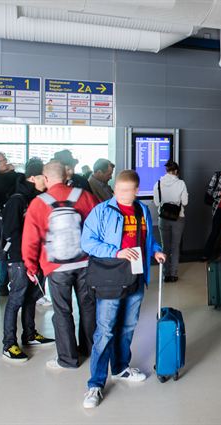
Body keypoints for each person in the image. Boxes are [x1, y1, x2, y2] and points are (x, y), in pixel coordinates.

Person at [81, 170, 165, 409]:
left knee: (128, 326)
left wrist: (155, 251)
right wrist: (116, 252)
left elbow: (147, 239)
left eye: (127, 190)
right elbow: (87, 242)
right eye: (119, 190)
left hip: (136, 277)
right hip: (111, 278)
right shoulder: (102, 211)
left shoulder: (142, 210)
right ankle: (95, 384)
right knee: (105, 331)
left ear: (136, 190)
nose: (122, 194)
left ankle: (120, 368)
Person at [22, 161, 98, 369]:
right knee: (88, 307)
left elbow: (30, 239)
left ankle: (68, 358)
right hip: (85, 262)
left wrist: (31, 266)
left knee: (62, 311)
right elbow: (100, 225)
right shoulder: (85, 196)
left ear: (46, 178)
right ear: (66, 176)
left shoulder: (38, 203)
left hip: (55, 267)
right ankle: (91, 350)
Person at [0, 158, 55, 361]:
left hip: (36, 256)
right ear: (32, 178)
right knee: (16, 298)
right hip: (20, 259)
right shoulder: (17, 200)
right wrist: (25, 259)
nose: (46, 180)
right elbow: (11, 232)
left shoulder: (38, 198)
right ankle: (9, 344)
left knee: (32, 297)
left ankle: (30, 334)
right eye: (43, 176)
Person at [153, 160, 188, 282]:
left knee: (165, 246)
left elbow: (156, 203)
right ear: (176, 171)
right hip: (178, 217)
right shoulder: (181, 183)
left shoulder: (158, 183)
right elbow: (185, 202)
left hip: (163, 218)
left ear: (166, 170)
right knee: (175, 246)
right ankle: (173, 274)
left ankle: (166, 274)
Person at [0, 151, 20, 296]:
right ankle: (3, 282)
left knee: (11, 248)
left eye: (4, 160)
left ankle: (10, 282)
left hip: (13, 213)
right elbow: (0, 190)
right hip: (2, 215)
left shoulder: (13, 175)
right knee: (4, 249)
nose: (3, 163)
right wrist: (9, 172)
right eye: (0, 161)